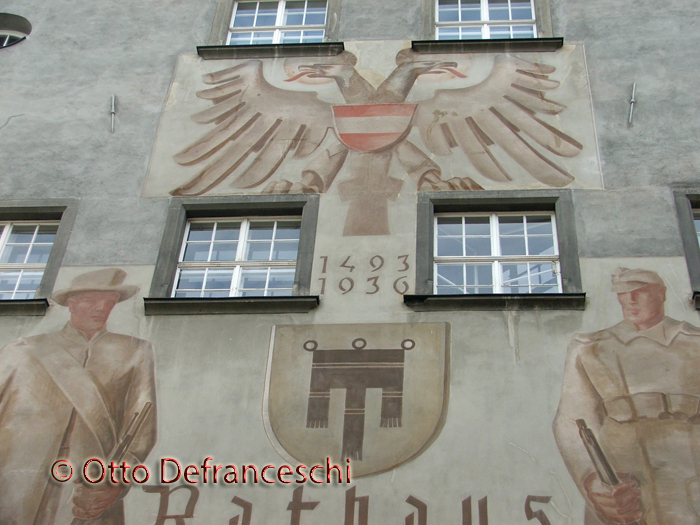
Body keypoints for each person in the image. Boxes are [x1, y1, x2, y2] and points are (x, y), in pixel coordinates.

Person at [0, 268, 157, 524]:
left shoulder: (135, 351)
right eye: (92, 300)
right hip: (16, 481)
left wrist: (118, 480)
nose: (101, 308)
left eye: (109, 302)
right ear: (71, 303)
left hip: (90, 484)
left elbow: (142, 423)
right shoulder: (21, 350)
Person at [553, 267, 700, 525]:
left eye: (640, 292)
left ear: (661, 294)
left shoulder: (694, 341)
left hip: (690, 487)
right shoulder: (589, 347)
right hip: (622, 495)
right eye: (623, 294)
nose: (630, 300)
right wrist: (591, 480)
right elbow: (571, 421)